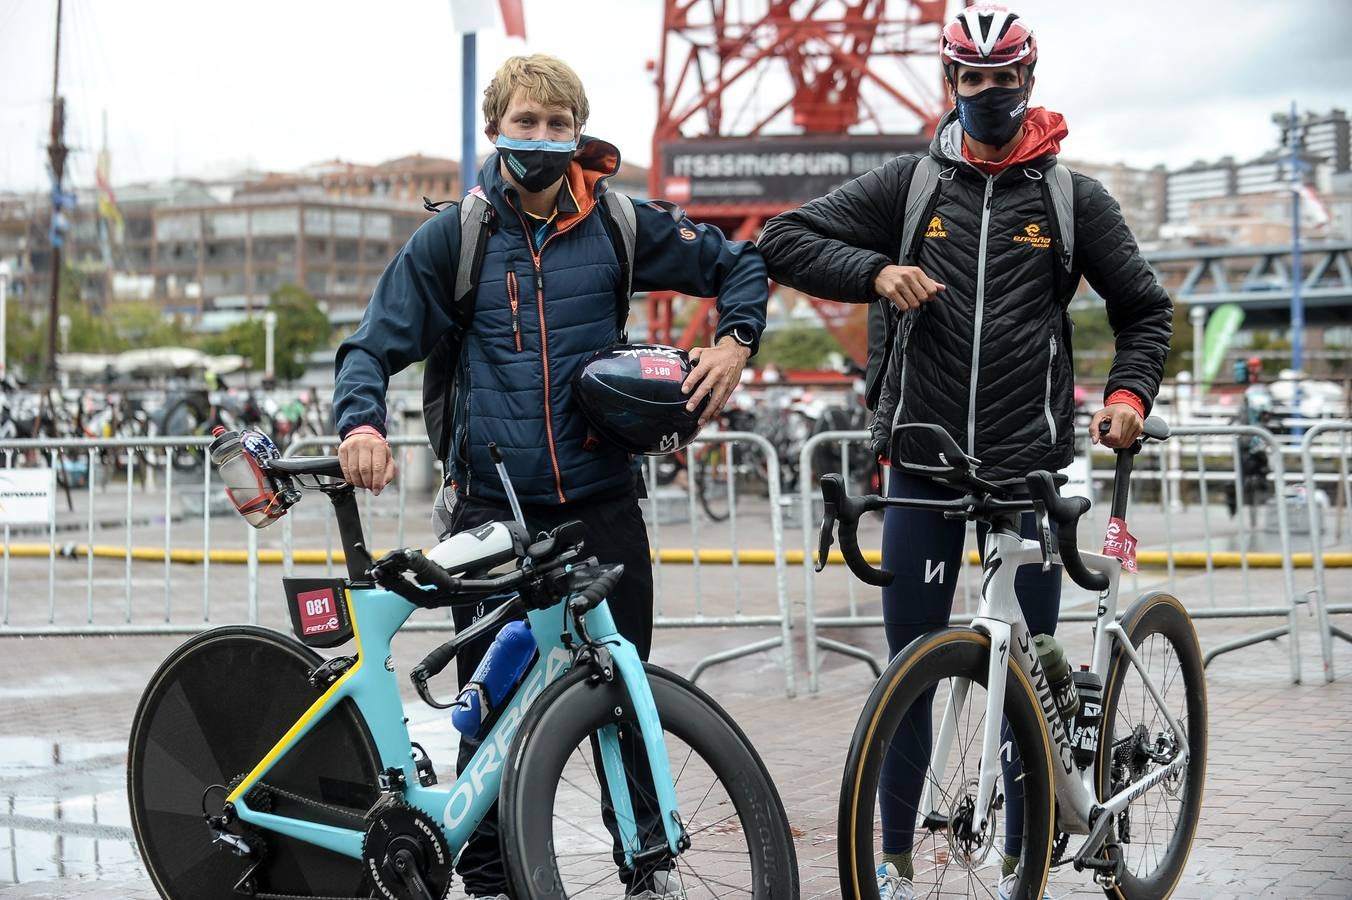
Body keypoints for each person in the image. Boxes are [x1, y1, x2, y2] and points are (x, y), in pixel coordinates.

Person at [758, 5, 1171, 898]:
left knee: (1027, 669)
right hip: (923, 461)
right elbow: (781, 238)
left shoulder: (1072, 199)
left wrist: (1129, 397)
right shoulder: (911, 187)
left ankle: (1029, 857)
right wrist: (873, 272)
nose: (990, 92)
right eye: (973, 78)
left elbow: (1146, 312)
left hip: (1028, 465)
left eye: (1005, 76)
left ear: (1031, 76)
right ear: (951, 82)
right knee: (910, 668)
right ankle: (894, 860)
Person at [332, 54, 767, 900]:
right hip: (492, 519)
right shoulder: (456, 236)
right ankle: (491, 879)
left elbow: (738, 262)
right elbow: (370, 344)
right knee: (490, 710)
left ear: (578, 129)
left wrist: (734, 342)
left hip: (601, 510)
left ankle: (649, 869)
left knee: (624, 695)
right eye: (525, 122)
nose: (541, 137)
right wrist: (360, 423)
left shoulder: (618, 225)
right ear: (495, 129)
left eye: (557, 122)